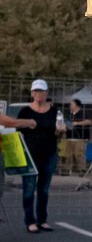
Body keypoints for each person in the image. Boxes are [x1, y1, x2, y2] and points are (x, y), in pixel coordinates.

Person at [17, 79, 60, 233]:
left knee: (44, 189)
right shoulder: (25, 112)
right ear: (32, 93)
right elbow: (17, 132)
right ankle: (30, 221)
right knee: (29, 188)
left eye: (41, 91)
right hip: (29, 154)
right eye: (35, 91)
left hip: (48, 153)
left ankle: (42, 219)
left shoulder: (54, 111)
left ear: (46, 93)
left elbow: (58, 130)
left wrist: (60, 130)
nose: (38, 94)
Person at [64, 99, 92, 174]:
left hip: (81, 137)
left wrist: (77, 123)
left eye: (71, 104)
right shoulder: (69, 114)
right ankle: (67, 170)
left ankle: (82, 170)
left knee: (79, 154)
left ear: (76, 105)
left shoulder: (84, 112)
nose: (70, 105)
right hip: (70, 137)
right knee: (68, 154)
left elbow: (89, 122)